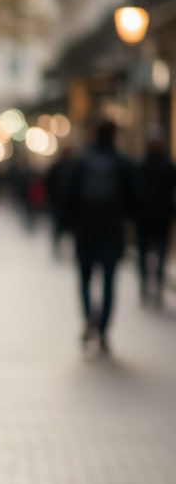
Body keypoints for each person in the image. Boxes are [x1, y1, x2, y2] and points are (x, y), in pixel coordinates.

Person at [64, 119, 135, 352]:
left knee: (85, 279)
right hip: (112, 230)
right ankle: (103, 329)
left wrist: (69, 225)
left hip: (85, 230)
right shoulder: (122, 162)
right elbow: (135, 198)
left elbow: (68, 196)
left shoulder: (82, 162)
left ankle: (89, 317)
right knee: (109, 281)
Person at [135, 126, 176, 307]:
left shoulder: (140, 166)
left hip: (144, 217)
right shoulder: (168, 166)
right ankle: (156, 286)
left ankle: (145, 286)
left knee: (144, 254)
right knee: (160, 253)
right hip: (161, 216)